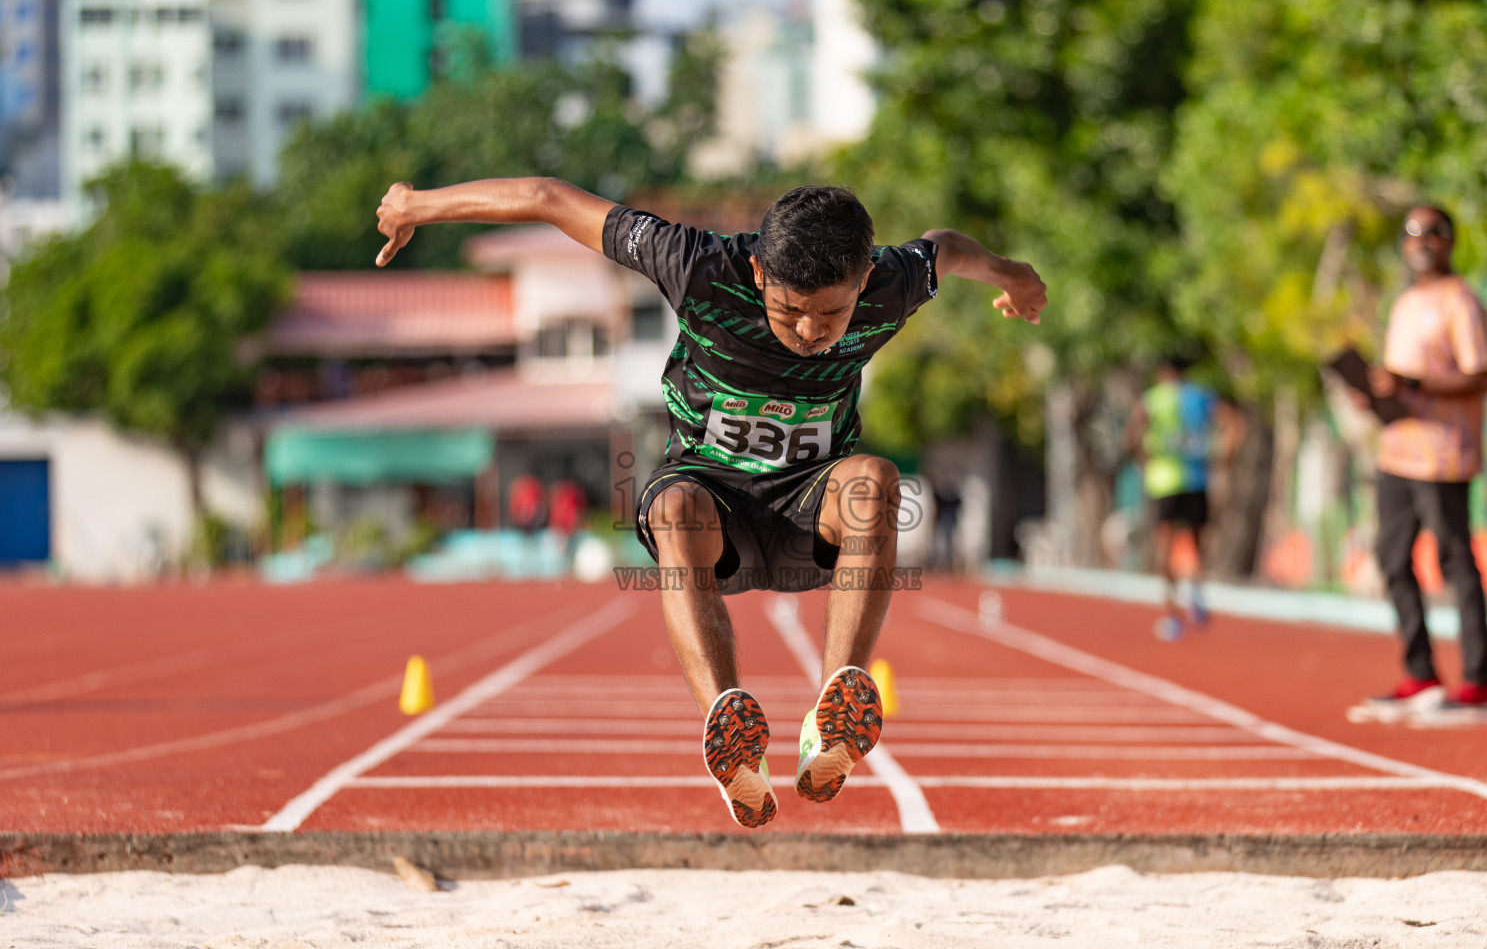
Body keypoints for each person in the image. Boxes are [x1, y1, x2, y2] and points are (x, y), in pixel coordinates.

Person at [374, 177, 1047, 827]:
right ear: (758, 272)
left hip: (809, 513)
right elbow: (550, 198)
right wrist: (414, 205)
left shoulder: (893, 280)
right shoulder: (696, 263)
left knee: (872, 478)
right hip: (711, 506)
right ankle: (731, 732)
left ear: (865, 280)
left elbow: (948, 248)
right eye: (791, 310)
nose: (811, 331)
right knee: (672, 508)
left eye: (832, 314)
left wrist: (1014, 275)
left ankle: (832, 714)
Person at [1347, 205, 1487, 724]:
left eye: (1432, 231)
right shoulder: (1406, 303)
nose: (1421, 241)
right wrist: (1378, 394)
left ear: (1450, 239)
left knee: (1455, 562)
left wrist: (1411, 385)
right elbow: (1401, 376)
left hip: (1443, 453)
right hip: (1397, 449)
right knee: (1392, 559)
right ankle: (1422, 675)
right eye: (1411, 233)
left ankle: (1478, 684)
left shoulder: (1462, 302)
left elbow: (1481, 377)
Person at [1124, 357, 1245, 641]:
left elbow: (1130, 433)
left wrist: (1141, 458)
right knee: (1197, 542)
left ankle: (1171, 615)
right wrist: (1224, 458)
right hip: (1196, 478)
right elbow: (1235, 424)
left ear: (1161, 373)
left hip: (1163, 481)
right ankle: (1195, 591)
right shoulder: (1201, 397)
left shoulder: (1153, 399)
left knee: (1164, 547)